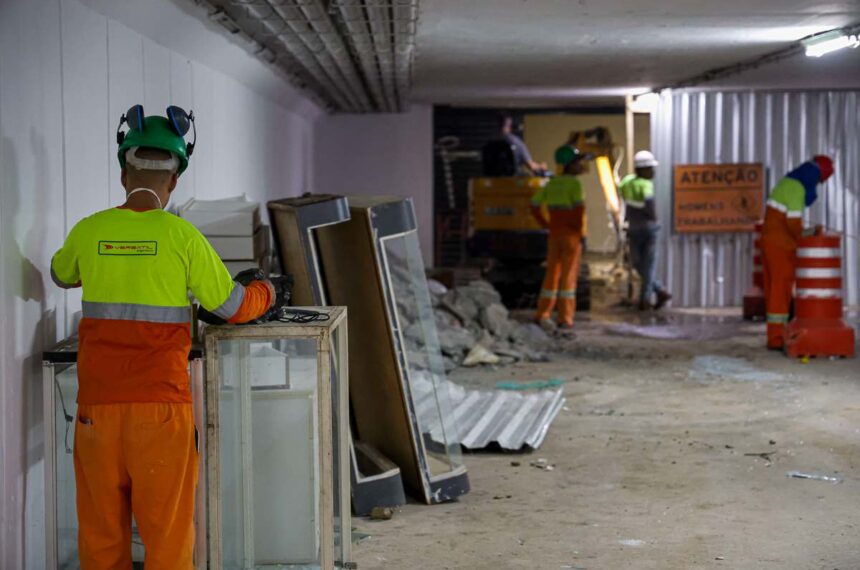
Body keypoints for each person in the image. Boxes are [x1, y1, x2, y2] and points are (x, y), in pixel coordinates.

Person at [50, 106, 287, 569]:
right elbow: (232, 308)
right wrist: (267, 290)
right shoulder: (184, 238)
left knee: (99, 536)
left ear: (123, 174)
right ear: (175, 180)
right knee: (168, 535)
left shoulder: (89, 229)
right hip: (161, 411)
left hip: (96, 410)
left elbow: (62, 274)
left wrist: (110, 259)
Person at [761, 155, 833, 350]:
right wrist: (812, 233)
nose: (817, 185)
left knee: (774, 289)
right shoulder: (797, 187)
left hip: (772, 242)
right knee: (781, 289)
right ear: (815, 175)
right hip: (781, 246)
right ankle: (776, 338)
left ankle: (776, 333)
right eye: (819, 181)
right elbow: (793, 225)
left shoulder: (789, 182)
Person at [530, 144, 589, 331]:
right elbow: (579, 212)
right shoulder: (575, 184)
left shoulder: (552, 183)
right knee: (568, 278)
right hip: (571, 237)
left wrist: (545, 224)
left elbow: (534, 205)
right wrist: (581, 235)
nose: (581, 166)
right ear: (569, 165)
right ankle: (565, 318)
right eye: (577, 162)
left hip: (554, 236)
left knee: (551, 275)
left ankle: (543, 314)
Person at [619, 150, 672, 311]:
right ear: (642, 169)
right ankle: (648, 299)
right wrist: (655, 218)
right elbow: (650, 207)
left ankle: (654, 294)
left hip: (633, 229)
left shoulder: (626, 182)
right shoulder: (646, 185)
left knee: (637, 263)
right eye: (650, 168)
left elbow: (621, 194)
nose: (653, 172)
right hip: (649, 230)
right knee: (648, 265)